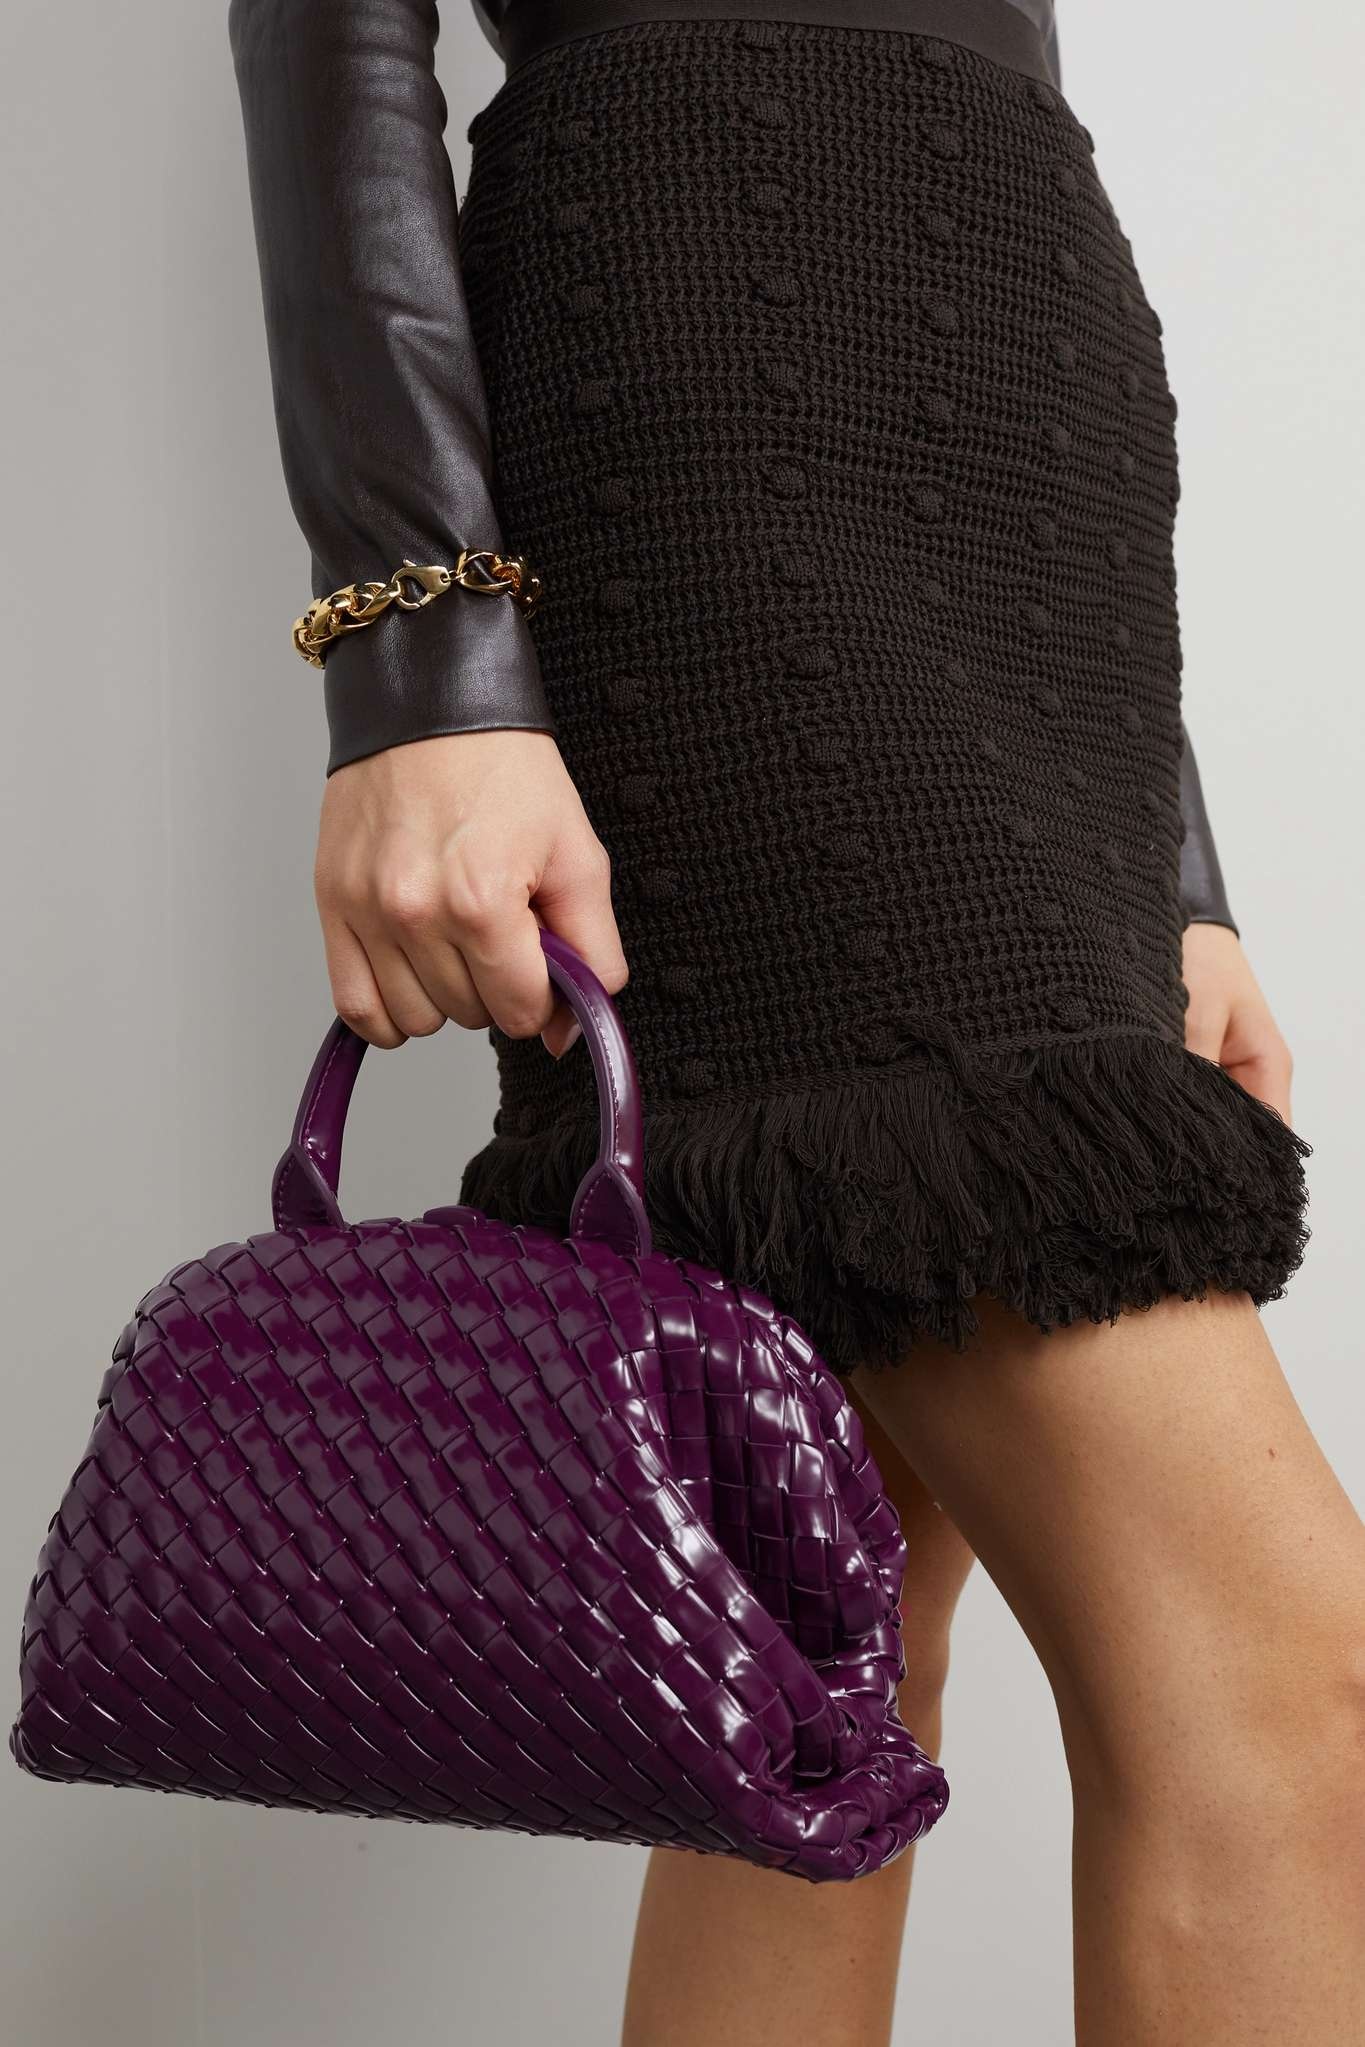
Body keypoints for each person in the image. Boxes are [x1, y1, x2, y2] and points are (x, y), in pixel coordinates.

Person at [230, 4, 1364, 2042]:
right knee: (1291, 1694)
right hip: (711, 360)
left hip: (1021, 400)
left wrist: (1167, 864)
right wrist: (419, 654)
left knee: (824, 1680)